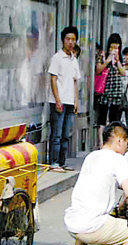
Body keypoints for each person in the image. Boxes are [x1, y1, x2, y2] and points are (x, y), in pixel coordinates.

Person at [48, 26, 81, 173]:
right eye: (68, 39)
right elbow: (53, 79)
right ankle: (54, 162)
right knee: (57, 134)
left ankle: (62, 162)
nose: (70, 42)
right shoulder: (57, 57)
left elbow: (75, 81)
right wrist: (57, 100)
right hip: (58, 101)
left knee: (66, 135)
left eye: (73, 39)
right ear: (63, 40)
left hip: (69, 101)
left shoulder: (74, 59)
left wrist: (76, 101)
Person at [94, 33, 126, 147]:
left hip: (116, 92)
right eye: (112, 47)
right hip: (105, 91)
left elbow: (123, 73)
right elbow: (98, 70)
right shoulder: (102, 55)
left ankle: (113, 142)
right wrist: (107, 60)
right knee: (102, 118)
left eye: (117, 47)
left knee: (115, 119)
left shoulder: (121, 58)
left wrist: (117, 61)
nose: (114, 49)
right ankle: (101, 143)